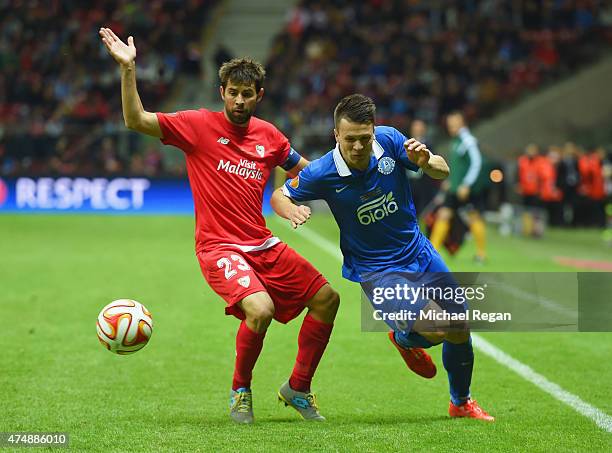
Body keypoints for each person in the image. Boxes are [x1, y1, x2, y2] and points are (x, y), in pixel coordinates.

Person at [99, 27, 340, 424]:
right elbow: (136, 120)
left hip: (261, 244)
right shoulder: (196, 125)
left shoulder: (271, 138)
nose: (240, 100)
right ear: (222, 91)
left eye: (248, 94)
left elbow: (310, 173)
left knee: (328, 299)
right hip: (219, 248)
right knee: (259, 309)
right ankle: (240, 391)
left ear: (259, 96)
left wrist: (339, 183)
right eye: (233, 92)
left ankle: (298, 387)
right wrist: (128, 70)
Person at [271, 94, 494, 421]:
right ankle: (405, 338)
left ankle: (460, 403)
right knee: (438, 327)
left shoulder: (390, 140)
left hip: (419, 251)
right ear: (336, 135)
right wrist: (290, 208)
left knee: (460, 324)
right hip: (379, 272)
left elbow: (442, 170)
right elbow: (280, 195)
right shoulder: (322, 172)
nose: (359, 147)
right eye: (350, 140)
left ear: (374, 131)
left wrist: (425, 162)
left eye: (365, 138)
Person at [430, 112, 488, 262]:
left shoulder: (468, 141)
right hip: (454, 189)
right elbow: (458, 166)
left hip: (466, 190)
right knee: (443, 214)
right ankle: (433, 253)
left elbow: (477, 163)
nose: (451, 127)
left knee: (474, 218)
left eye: (454, 123)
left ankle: (481, 254)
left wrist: (467, 184)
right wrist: (451, 180)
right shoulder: (455, 141)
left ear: (462, 123)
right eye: (449, 124)